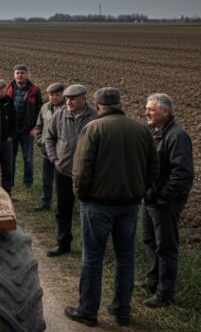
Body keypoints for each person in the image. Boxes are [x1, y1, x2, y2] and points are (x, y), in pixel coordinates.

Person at [64, 88, 159, 328]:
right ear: (119, 104)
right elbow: (153, 167)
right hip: (130, 204)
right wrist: (140, 190)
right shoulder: (141, 130)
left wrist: (81, 195)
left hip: (98, 204)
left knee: (92, 257)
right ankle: (121, 310)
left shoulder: (93, 128)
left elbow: (81, 169)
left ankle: (87, 311)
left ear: (97, 106)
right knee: (125, 257)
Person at [140, 93, 194, 308]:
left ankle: (165, 294)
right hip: (149, 199)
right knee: (150, 241)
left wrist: (164, 195)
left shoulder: (177, 136)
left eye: (151, 109)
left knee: (165, 248)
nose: (146, 112)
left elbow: (183, 173)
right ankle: (152, 281)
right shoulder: (153, 132)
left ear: (165, 111)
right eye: (147, 108)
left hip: (164, 203)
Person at [44, 84, 98, 257]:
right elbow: (49, 138)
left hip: (87, 173)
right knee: (63, 210)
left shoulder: (94, 117)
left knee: (88, 211)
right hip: (64, 171)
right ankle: (63, 243)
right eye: (67, 98)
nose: (68, 102)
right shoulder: (59, 115)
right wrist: (55, 160)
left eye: (73, 99)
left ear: (83, 99)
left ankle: (87, 246)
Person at [6, 64, 43, 190]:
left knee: (28, 159)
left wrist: (35, 127)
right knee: (11, 158)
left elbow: (39, 111)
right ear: (14, 74)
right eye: (17, 73)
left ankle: (28, 183)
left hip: (27, 130)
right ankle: (9, 182)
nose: (20, 75)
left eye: (22, 73)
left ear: (27, 74)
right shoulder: (9, 87)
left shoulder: (34, 90)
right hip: (12, 130)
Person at [34, 82, 65, 211]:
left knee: (62, 181)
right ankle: (45, 203)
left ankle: (63, 205)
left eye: (57, 95)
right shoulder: (45, 108)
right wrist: (39, 140)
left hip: (62, 152)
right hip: (46, 150)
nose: (53, 97)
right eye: (51, 95)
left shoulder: (68, 109)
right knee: (46, 179)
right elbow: (39, 125)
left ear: (62, 94)